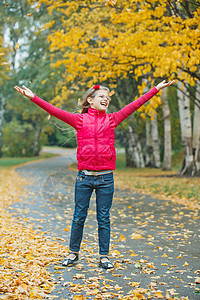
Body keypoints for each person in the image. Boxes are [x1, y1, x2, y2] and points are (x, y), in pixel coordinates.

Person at [14, 79, 175, 269]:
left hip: (106, 178)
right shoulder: (79, 120)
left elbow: (134, 105)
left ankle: (104, 256)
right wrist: (33, 97)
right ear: (90, 100)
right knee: (79, 216)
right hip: (84, 177)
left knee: (104, 218)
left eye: (107, 98)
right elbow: (54, 111)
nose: (105, 99)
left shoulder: (112, 119)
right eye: (101, 96)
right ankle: (73, 254)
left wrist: (155, 89)